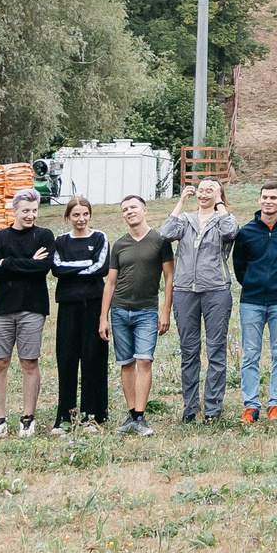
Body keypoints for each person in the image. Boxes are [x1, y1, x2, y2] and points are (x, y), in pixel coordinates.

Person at [163, 178, 237, 424]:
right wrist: (181, 202)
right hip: (185, 291)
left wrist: (219, 203)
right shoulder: (185, 220)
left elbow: (231, 232)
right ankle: (190, 407)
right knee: (189, 351)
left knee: (216, 349)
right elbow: (166, 233)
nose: (204, 194)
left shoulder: (223, 218)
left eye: (210, 190)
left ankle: (213, 408)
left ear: (219, 193)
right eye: (201, 190)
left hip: (216, 290)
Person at [0, 188, 54, 440]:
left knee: (29, 362)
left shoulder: (44, 235)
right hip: (1, 309)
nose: (30, 215)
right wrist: (26, 262)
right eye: (26, 211)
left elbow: (43, 268)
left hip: (32, 308)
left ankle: (28, 419)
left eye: (34, 211)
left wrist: (7, 263)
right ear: (14, 211)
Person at [98, 194, 171, 436]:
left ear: (145, 210)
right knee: (126, 363)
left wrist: (165, 311)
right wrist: (103, 317)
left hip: (147, 311)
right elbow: (110, 282)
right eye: (124, 209)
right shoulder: (119, 244)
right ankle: (131, 415)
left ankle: (141, 416)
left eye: (133, 207)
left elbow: (169, 278)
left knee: (144, 360)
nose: (129, 212)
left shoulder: (160, 241)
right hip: (119, 311)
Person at [232, 183, 277, 423]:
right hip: (251, 301)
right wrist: (252, 284)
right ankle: (251, 406)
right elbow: (239, 267)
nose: (268, 201)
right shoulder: (246, 231)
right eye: (265, 197)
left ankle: (276, 405)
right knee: (250, 354)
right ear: (259, 200)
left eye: (274, 197)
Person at [50, 195, 112, 432]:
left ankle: (92, 415)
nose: (81, 219)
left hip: (93, 306)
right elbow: (56, 268)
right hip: (68, 306)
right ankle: (65, 417)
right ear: (68, 217)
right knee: (66, 359)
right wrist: (84, 265)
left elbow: (101, 267)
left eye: (85, 214)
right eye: (76, 215)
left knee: (92, 359)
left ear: (90, 215)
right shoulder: (60, 241)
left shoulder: (99, 237)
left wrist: (72, 269)